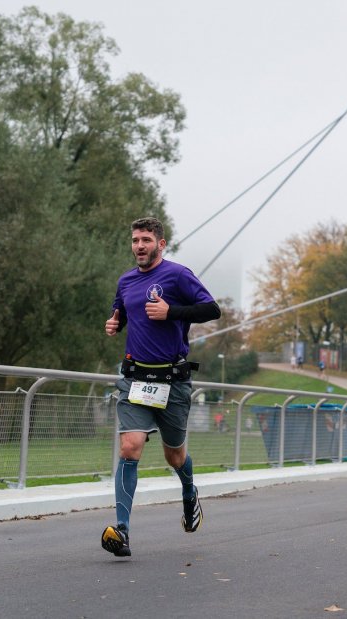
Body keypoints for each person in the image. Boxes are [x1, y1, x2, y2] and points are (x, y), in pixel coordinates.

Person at [100, 217, 221, 558]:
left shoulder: (178, 275)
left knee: (174, 455)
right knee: (130, 445)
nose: (140, 245)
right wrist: (114, 322)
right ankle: (122, 532)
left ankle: (188, 491)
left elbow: (212, 309)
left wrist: (172, 312)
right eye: (135, 240)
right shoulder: (125, 281)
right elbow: (123, 312)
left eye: (146, 240)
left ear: (161, 244)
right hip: (135, 379)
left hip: (173, 382)